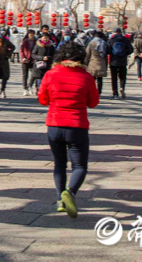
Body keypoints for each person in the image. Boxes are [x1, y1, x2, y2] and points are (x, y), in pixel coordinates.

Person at [38, 45, 99, 218]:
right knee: (79, 166)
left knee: (59, 164)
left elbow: (42, 99)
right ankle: (70, 193)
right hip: (77, 126)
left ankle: (59, 200)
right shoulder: (86, 77)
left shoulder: (50, 74)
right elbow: (93, 102)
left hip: (55, 125)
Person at [106, 28, 134, 99]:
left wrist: (112, 53)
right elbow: (131, 50)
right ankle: (122, 88)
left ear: (114, 33)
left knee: (114, 77)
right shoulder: (125, 40)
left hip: (113, 61)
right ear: (120, 32)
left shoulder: (111, 40)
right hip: (123, 61)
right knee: (122, 77)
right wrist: (125, 53)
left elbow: (108, 50)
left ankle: (115, 93)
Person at [83, 30, 108, 95]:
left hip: (93, 62)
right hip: (102, 62)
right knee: (100, 79)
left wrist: (85, 63)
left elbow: (88, 54)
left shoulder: (91, 43)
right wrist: (106, 64)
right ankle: (99, 92)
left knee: (92, 79)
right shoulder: (104, 43)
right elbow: (106, 54)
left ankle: (92, 92)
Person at [19, 29, 37, 96]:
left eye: (32, 33)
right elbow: (21, 50)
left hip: (33, 60)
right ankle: (25, 89)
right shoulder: (25, 41)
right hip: (25, 60)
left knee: (34, 75)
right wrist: (23, 58)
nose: (31, 35)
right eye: (30, 33)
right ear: (28, 34)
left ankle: (30, 86)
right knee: (25, 75)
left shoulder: (36, 42)